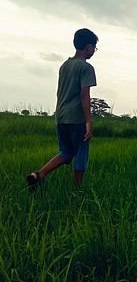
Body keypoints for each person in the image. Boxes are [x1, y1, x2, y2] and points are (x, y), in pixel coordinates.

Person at [26, 28, 98, 191]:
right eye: (94, 47)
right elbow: (84, 95)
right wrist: (88, 121)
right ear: (88, 47)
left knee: (66, 152)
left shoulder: (64, 65)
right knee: (81, 152)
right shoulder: (86, 68)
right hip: (77, 117)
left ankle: (38, 175)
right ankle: (76, 190)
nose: (94, 51)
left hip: (61, 115)